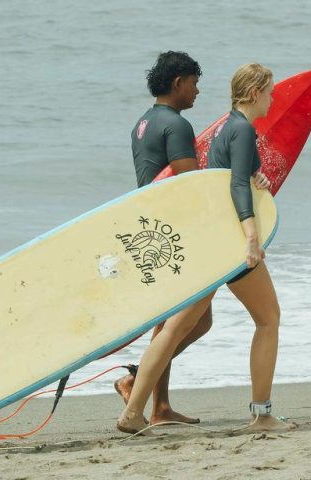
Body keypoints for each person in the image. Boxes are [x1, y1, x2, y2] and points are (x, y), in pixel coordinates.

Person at [117, 63, 287, 434]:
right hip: (230, 244)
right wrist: (251, 237)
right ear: (256, 92)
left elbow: (225, 176)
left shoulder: (227, 126)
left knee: (174, 330)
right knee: (268, 319)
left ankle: (133, 411)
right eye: (270, 92)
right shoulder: (242, 130)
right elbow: (236, 186)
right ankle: (261, 415)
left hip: (208, 242)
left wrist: (256, 175)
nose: (273, 100)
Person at [114, 51, 212, 426]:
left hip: (152, 227)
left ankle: (159, 404)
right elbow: (190, 186)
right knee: (181, 322)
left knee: (194, 321)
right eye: (194, 83)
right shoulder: (177, 125)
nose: (197, 91)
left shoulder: (143, 122)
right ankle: (140, 387)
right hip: (176, 231)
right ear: (178, 83)